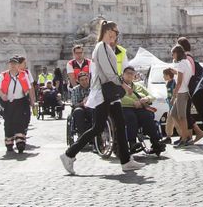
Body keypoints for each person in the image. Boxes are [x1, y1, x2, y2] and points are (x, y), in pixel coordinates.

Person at [60, 20, 145, 174]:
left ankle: (126, 160)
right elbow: (109, 72)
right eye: (114, 31)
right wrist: (124, 85)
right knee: (98, 127)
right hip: (105, 92)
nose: (116, 35)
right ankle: (69, 154)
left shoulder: (106, 48)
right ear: (107, 30)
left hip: (109, 92)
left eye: (117, 33)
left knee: (120, 123)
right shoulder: (102, 47)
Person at [120, 66, 165, 154]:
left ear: (134, 76)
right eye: (127, 73)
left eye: (132, 73)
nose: (130, 75)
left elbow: (152, 96)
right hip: (125, 107)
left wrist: (146, 99)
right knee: (131, 117)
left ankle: (155, 142)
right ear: (123, 74)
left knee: (147, 116)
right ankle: (132, 143)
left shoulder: (139, 86)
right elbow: (120, 97)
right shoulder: (120, 86)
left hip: (140, 107)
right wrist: (134, 102)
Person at [0, 57, 34, 152]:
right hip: (8, 102)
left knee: (20, 122)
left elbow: (29, 88)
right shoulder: (3, 75)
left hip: (20, 101)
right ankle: (9, 142)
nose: (13, 66)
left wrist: (32, 100)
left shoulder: (23, 74)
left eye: (15, 64)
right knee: (8, 123)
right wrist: (2, 95)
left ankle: (20, 142)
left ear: (18, 65)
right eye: (11, 64)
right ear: (9, 65)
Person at [175, 38, 203, 143]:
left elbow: (188, 75)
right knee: (184, 114)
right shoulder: (189, 58)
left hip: (186, 89)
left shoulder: (186, 59)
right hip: (188, 89)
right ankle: (188, 135)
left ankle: (190, 135)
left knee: (184, 114)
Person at [170, 44, 194, 146]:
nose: (172, 56)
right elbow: (183, 76)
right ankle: (185, 135)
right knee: (174, 114)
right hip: (184, 91)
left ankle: (185, 138)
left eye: (173, 54)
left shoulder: (180, 64)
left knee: (181, 117)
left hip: (181, 92)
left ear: (177, 53)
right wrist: (175, 72)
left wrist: (173, 96)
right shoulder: (186, 62)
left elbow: (179, 82)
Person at [162, 67, 176, 143]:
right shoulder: (168, 83)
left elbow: (174, 93)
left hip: (174, 105)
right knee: (169, 121)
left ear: (168, 75)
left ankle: (184, 136)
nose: (163, 77)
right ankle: (168, 137)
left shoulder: (173, 82)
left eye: (164, 75)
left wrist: (172, 101)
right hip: (170, 105)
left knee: (175, 122)